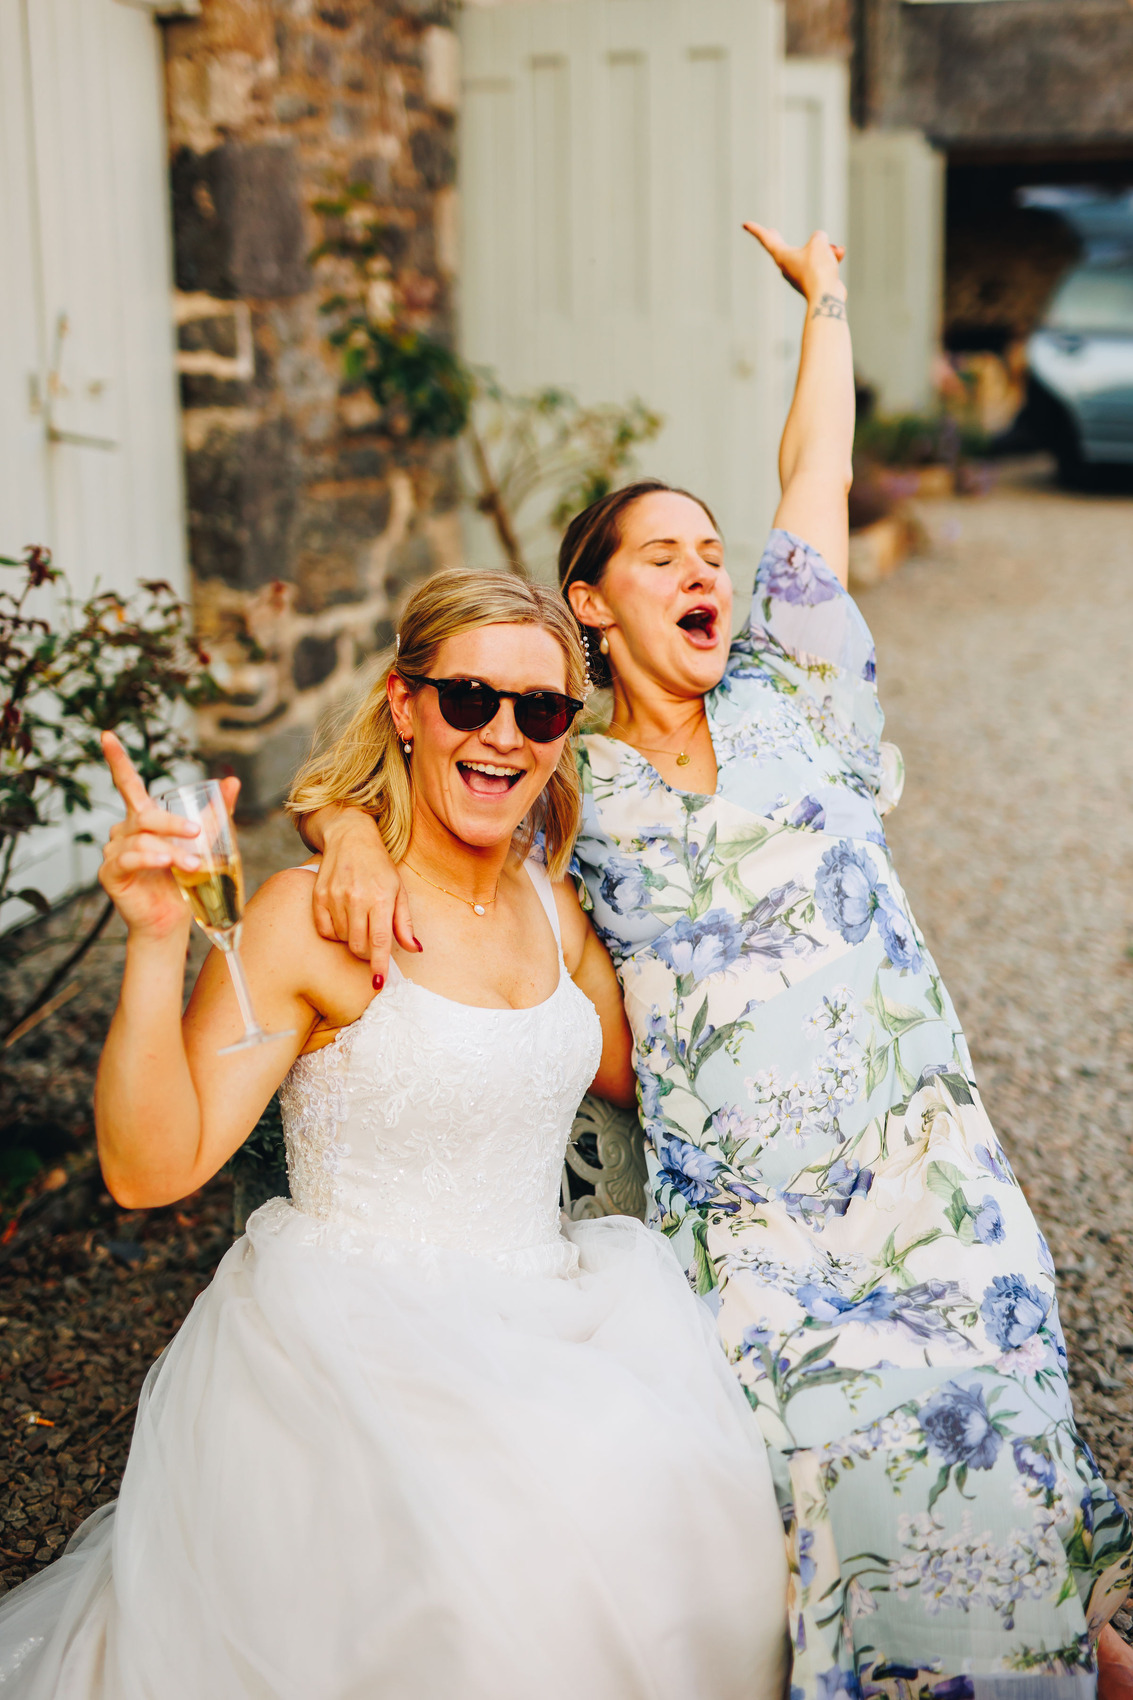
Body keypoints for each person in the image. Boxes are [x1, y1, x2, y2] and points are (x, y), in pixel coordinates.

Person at [298, 226, 1133, 1698]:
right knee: (842, 1441)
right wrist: (343, 838)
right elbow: (397, 778)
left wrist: (826, 304)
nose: (707, 571)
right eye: (662, 557)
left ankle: (1064, 1657)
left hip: (914, 1149)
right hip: (746, 1209)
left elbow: (810, 478)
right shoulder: (559, 772)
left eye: (711, 553)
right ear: (596, 614)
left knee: (987, 1397)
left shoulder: (794, 695)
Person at [0, 571, 790, 1699]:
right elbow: (148, 1166)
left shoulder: (552, 907)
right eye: (469, 698)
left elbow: (665, 1071)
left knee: (703, 1542)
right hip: (357, 1340)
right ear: (404, 703)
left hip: (566, 1315)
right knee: (481, 1595)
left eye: (541, 709)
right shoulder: (313, 919)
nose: (504, 734)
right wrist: (153, 940)